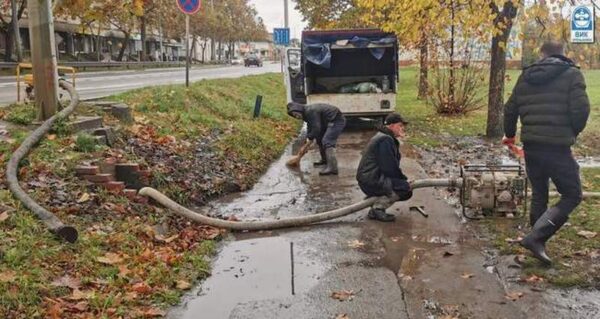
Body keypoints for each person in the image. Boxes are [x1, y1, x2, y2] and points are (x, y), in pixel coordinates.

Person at [503, 40, 590, 264]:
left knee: (539, 193)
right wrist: (573, 132)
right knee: (572, 194)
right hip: (558, 148)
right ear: (562, 54)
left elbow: (510, 109)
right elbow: (581, 110)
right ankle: (537, 238)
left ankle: (536, 239)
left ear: (541, 54)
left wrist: (510, 135)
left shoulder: (526, 76)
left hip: (531, 146)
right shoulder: (572, 74)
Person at [356, 113, 412, 222]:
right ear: (391, 126)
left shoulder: (384, 137)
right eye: (400, 125)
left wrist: (402, 180)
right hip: (371, 181)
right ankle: (378, 208)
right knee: (406, 190)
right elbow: (389, 168)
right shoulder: (385, 140)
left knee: (403, 185)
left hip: (371, 179)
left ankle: (375, 204)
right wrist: (404, 182)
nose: (402, 128)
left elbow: (390, 167)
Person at [287, 102, 346, 175]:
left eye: (296, 114)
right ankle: (325, 161)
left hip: (336, 120)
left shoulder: (310, 111)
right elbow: (310, 126)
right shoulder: (305, 113)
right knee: (319, 139)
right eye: (294, 116)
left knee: (327, 141)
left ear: (299, 110)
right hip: (326, 121)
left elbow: (316, 128)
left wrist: (310, 140)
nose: (297, 117)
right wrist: (307, 140)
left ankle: (333, 168)